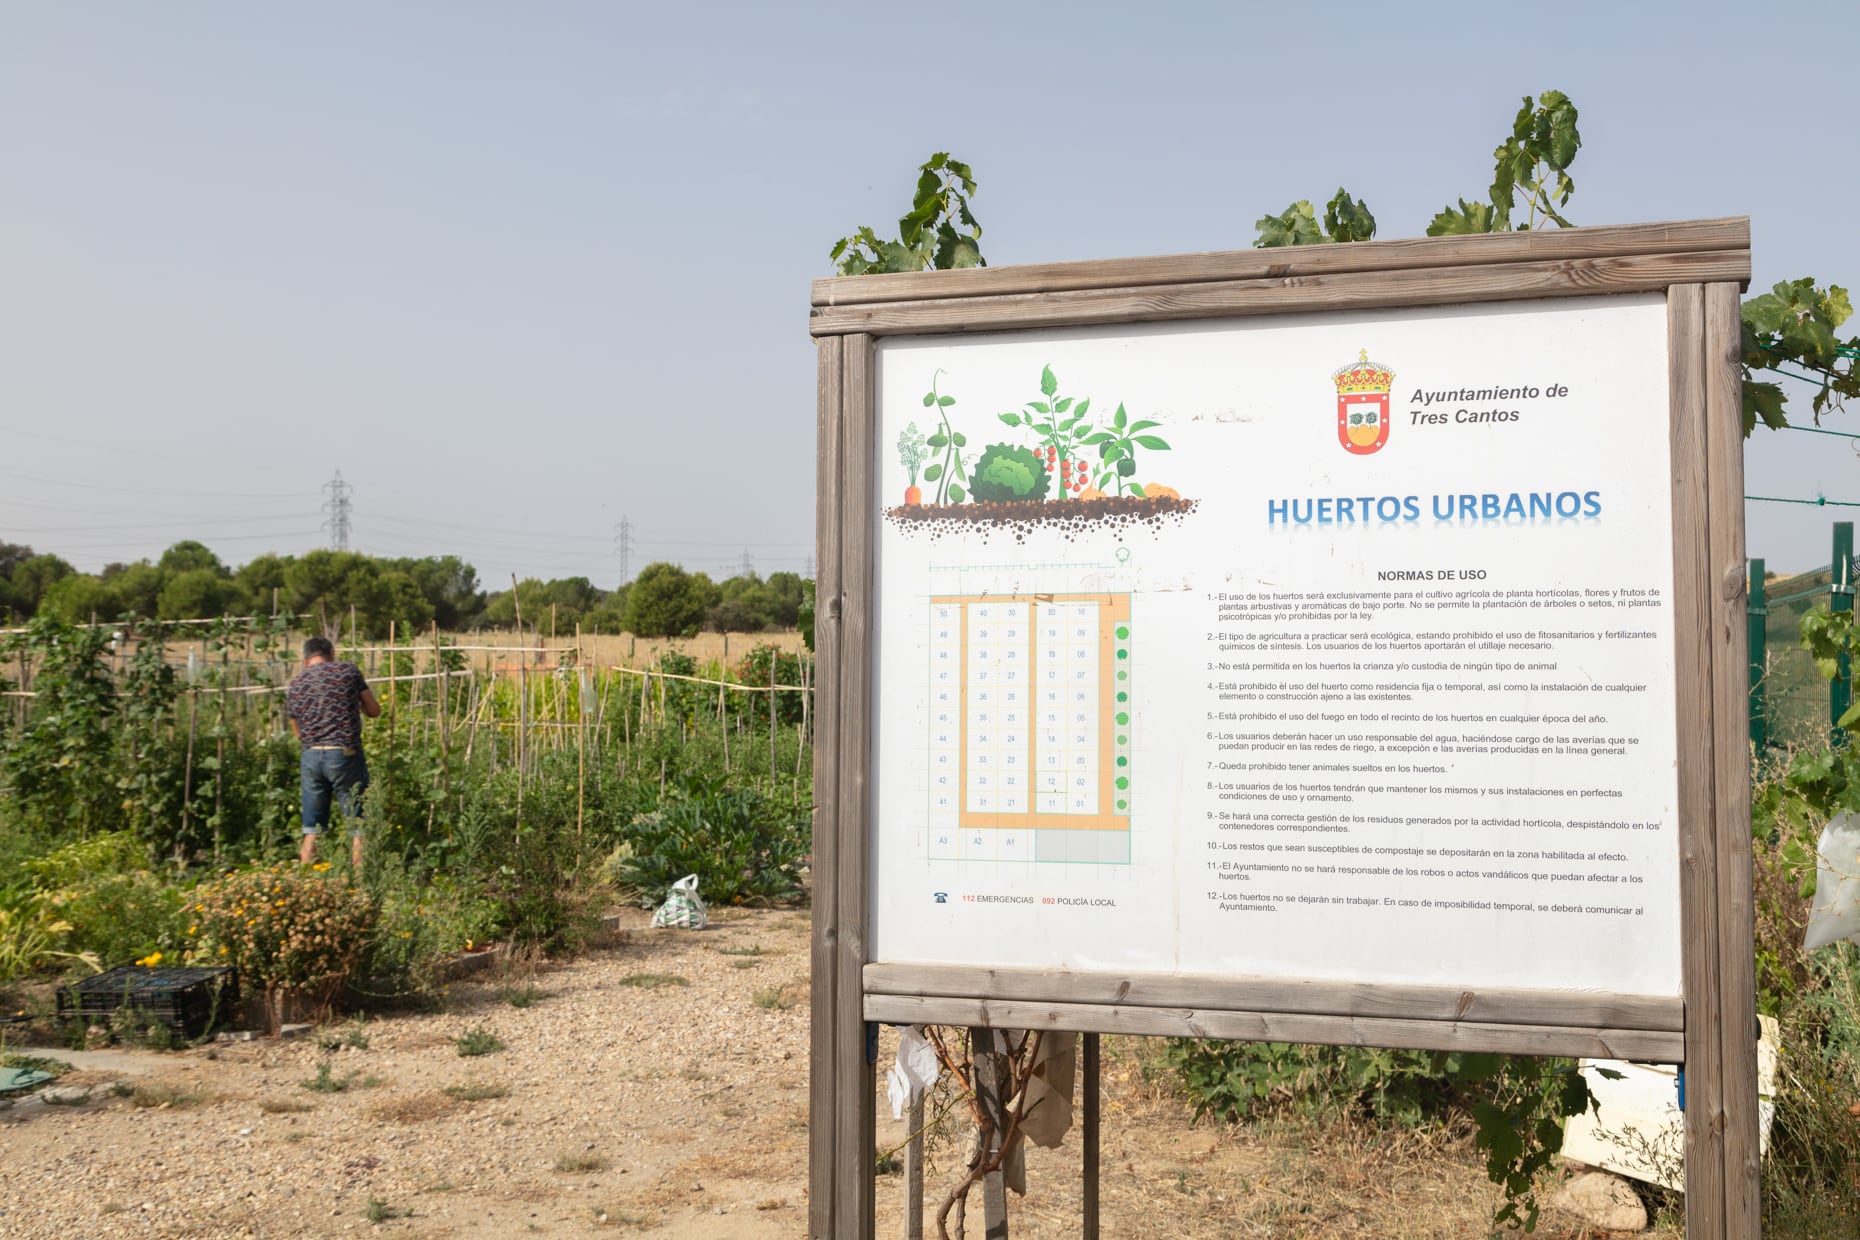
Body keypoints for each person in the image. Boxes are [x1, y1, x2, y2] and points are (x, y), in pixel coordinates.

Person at [286, 636, 381, 868]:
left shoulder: (296, 684)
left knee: (312, 828)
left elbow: (297, 732)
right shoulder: (347, 671)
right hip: (344, 754)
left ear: (305, 657)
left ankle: (306, 884)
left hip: (311, 756)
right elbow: (374, 710)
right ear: (331, 653)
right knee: (359, 824)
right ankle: (360, 886)